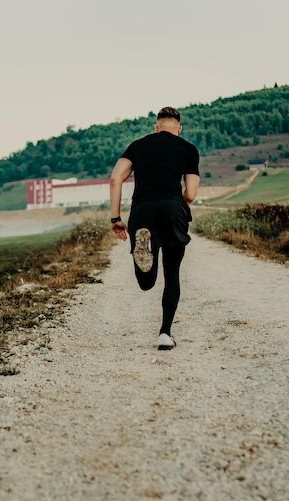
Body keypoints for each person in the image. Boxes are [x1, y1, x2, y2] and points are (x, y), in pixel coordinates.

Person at [109, 106, 200, 350]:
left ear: (156, 127)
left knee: (146, 282)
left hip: (142, 210)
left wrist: (115, 218)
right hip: (173, 208)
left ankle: (145, 250)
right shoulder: (188, 149)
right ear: (179, 129)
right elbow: (190, 193)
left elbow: (116, 179)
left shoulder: (137, 145)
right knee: (172, 273)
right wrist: (178, 206)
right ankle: (165, 334)